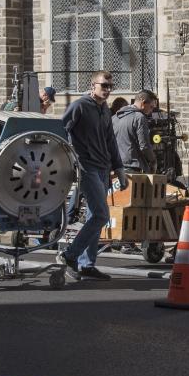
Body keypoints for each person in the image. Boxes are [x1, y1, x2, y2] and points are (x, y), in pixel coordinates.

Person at [59, 70, 129, 280]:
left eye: (110, 87)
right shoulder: (80, 106)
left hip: (103, 168)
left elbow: (110, 142)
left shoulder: (105, 110)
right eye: (103, 86)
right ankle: (71, 255)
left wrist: (119, 169)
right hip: (86, 167)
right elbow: (62, 130)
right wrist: (70, 160)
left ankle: (87, 264)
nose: (107, 90)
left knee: (93, 216)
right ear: (93, 86)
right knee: (101, 215)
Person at [113, 89, 156, 173]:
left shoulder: (114, 117)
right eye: (151, 107)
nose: (151, 111)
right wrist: (153, 160)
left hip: (116, 167)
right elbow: (144, 146)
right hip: (133, 168)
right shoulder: (139, 117)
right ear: (143, 103)